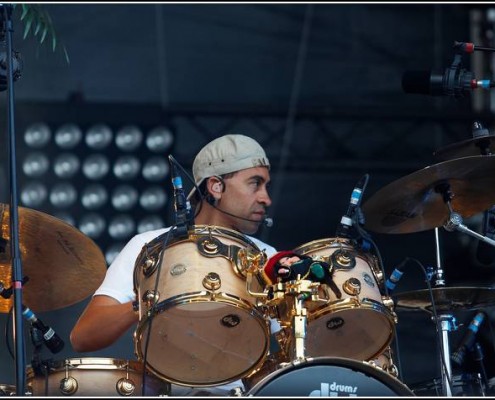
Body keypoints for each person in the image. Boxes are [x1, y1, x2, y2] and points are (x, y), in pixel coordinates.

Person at [70, 134, 277, 396]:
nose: (265, 198)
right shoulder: (149, 247)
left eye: (266, 186)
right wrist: (146, 302)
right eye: (255, 184)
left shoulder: (267, 258)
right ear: (216, 186)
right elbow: (83, 336)